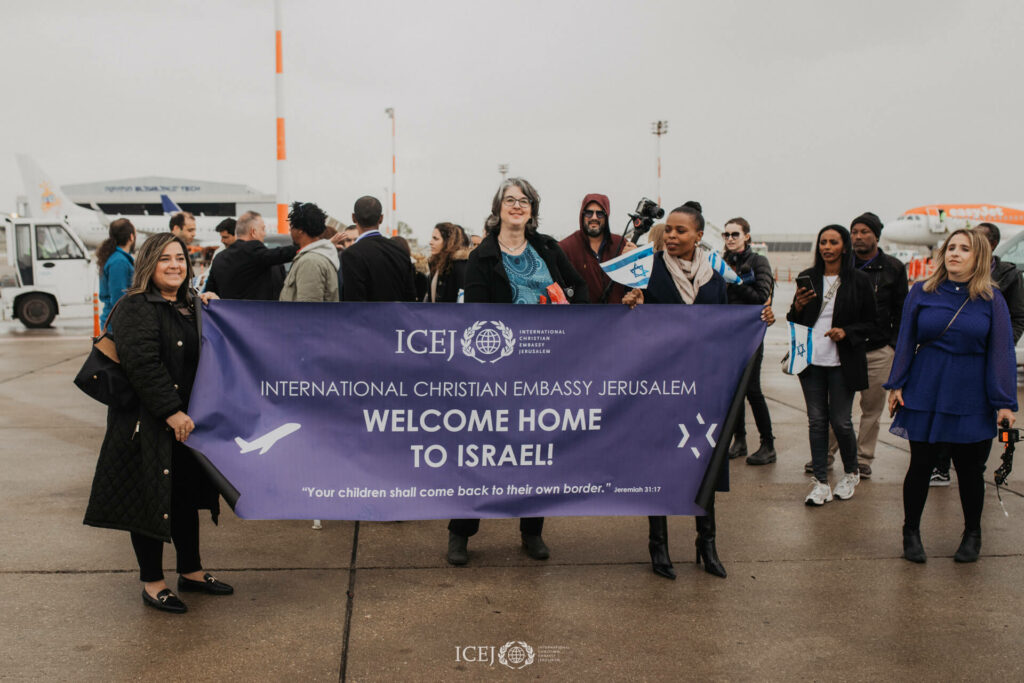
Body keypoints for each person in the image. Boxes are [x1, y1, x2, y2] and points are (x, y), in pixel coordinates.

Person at [84, 233, 229, 614]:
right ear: (149, 263)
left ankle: (192, 572)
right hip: (146, 424)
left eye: (180, 259)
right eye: (165, 259)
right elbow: (142, 365)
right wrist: (170, 410)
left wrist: (212, 308)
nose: (175, 266)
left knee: (183, 496)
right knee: (148, 501)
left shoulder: (190, 304)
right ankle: (153, 582)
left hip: (184, 424)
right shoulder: (135, 307)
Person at [447, 177, 588, 567]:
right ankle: (460, 533)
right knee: (481, 453)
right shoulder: (483, 255)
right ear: (498, 209)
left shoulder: (547, 248)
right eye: (510, 200)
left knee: (536, 453)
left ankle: (532, 532)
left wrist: (564, 309)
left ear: (532, 209)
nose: (517, 205)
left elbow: (579, 290)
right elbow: (475, 315)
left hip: (545, 370)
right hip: (498, 370)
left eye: (524, 200)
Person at [622, 201, 766, 580]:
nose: (671, 235)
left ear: (699, 236)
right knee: (660, 464)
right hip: (660, 387)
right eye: (668, 229)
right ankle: (659, 545)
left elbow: (730, 322)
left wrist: (762, 316)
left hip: (702, 386)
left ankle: (707, 543)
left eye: (680, 231)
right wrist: (632, 304)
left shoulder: (714, 277)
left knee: (704, 463)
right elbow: (631, 327)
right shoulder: (649, 273)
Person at [885, 228, 1017, 563]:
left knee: (971, 469)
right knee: (921, 465)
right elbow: (905, 339)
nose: (954, 253)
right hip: (926, 386)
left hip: (972, 392)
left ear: (979, 258)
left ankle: (973, 533)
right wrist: (896, 383)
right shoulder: (922, 292)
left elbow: (1001, 352)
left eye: (964, 249)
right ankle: (910, 532)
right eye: (951, 247)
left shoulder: (991, 299)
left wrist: (1004, 402)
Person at [812, 212, 909, 479]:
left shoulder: (894, 269)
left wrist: (893, 346)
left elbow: (902, 312)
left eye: (864, 231)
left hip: (878, 350)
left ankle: (863, 457)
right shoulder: (842, 267)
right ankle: (826, 454)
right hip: (845, 349)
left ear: (876, 235)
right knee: (838, 409)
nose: (858, 236)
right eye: (854, 232)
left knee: (872, 408)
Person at [928, 222, 1024, 487]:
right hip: (953, 358)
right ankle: (941, 466)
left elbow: (1017, 316)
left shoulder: (1008, 275)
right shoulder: (951, 279)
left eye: (971, 244)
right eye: (956, 246)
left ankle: (972, 469)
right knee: (945, 409)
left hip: (983, 357)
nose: (960, 251)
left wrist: (1002, 342)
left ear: (989, 246)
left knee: (975, 414)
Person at [787, 225, 876, 506]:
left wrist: (846, 332)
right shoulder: (807, 277)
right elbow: (794, 319)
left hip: (841, 360)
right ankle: (821, 483)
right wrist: (798, 307)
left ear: (844, 247)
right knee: (816, 421)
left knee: (840, 421)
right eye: (823, 242)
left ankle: (851, 472)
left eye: (833, 242)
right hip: (811, 361)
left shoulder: (859, 281)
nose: (826, 247)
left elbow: (872, 323)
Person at [719, 217, 777, 465]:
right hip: (726, 334)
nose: (730, 238)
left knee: (752, 388)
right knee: (732, 390)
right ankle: (739, 439)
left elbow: (761, 296)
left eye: (735, 234)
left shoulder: (758, 261)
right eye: (727, 234)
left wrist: (735, 280)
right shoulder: (721, 262)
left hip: (750, 333)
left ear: (747, 237)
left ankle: (768, 444)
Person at [558, 194, 634, 304]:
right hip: (581, 317)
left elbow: (633, 284)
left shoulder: (621, 244)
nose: (594, 217)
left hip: (617, 317)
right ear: (582, 215)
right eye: (589, 213)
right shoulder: (566, 247)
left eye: (600, 214)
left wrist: (637, 258)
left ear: (606, 216)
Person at [205, 211, 296, 300]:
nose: (264, 234)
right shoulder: (255, 253)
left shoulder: (219, 258)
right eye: (263, 229)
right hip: (256, 313)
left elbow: (209, 293)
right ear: (253, 232)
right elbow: (281, 254)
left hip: (226, 313)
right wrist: (304, 244)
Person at [341, 197, 418, 302]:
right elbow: (410, 297)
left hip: (368, 318)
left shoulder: (351, 254)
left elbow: (354, 302)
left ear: (353, 218)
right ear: (381, 218)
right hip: (397, 317)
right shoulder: (400, 251)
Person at [279, 202, 340, 302]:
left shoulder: (310, 262)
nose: (290, 229)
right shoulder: (316, 256)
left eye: (292, 225)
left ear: (301, 230)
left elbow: (308, 310)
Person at [96, 218, 136, 330]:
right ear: (131, 237)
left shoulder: (116, 258)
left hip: (114, 321)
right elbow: (118, 298)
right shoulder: (119, 262)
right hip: (117, 324)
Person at [427, 222, 470, 303]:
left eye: (435, 238)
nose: (430, 242)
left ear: (448, 242)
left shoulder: (459, 265)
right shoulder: (435, 265)